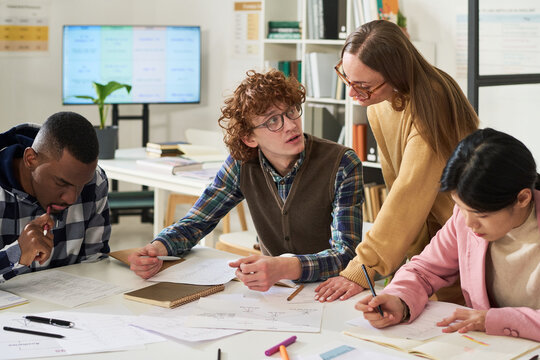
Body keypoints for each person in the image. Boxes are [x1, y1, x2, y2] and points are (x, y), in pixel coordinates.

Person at [128, 69, 364, 291]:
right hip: (275, 292)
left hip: (331, 291)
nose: (291, 125)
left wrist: (285, 266)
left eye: (291, 111)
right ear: (250, 138)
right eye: (273, 121)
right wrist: (157, 249)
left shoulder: (342, 163)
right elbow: (197, 222)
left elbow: (347, 255)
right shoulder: (243, 163)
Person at [315, 20, 479, 302]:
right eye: (347, 79)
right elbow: (395, 181)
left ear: (395, 75)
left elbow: (409, 192)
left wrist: (363, 268)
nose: (353, 94)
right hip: (424, 242)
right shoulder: (379, 102)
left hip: (461, 238)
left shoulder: (432, 101)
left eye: (363, 86)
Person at [356, 128, 540, 342]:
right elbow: (424, 270)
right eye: (461, 209)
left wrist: (494, 320)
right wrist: (399, 300)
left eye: (481, 214)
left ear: (523, 199)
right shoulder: (465, 219)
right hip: (488, 348)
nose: (469, 224)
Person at [0, 111, 111, 282]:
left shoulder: (95, 182)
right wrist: (16, 253)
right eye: (62, 183)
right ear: (30, 159)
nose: (72, 198)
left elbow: (96, 264)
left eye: (80, 184)